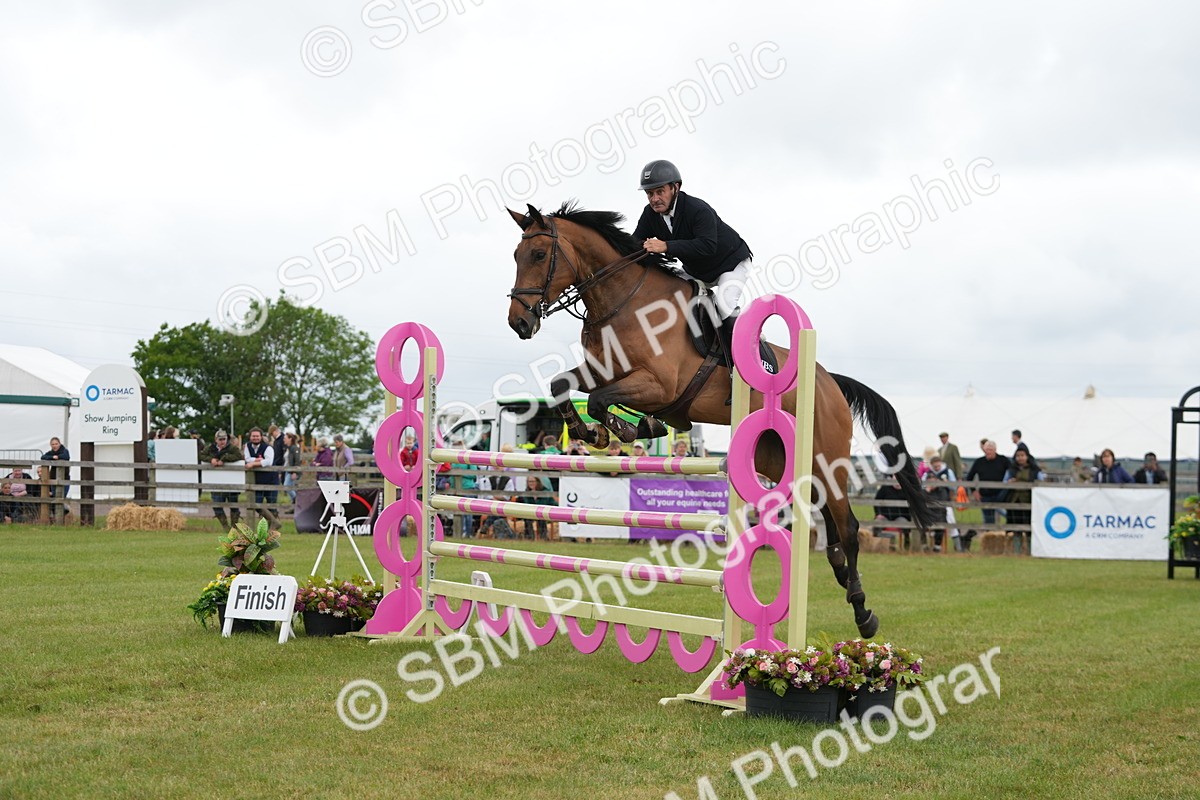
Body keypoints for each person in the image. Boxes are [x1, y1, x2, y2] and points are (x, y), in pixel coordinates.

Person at [632, 160, 753, 368]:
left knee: (723, 307)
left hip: (731, 263)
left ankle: (743, 364)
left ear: (675, 187)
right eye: (650, 194)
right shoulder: (650, 214)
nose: (655, 199)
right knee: (667, 290)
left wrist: (666, 247)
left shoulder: (697, 209)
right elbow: (635, 244)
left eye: (660, 192)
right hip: (697, 271)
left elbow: (707, 246)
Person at [1004, 449, 1045, 554]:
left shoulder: (1035, 470)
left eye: (1022, 455)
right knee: (1016, 528)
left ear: (1027, 456)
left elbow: (1041, 481)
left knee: (1029, 528)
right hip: (1014, 500)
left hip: (1029, 501)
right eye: (1018, 456)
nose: (1020, 458)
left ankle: (1030, 551)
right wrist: (1009, 482)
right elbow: (1004, 482)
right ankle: (1017, 552)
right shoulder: (1011, 470)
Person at [200, 430, 243, 530]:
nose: (223, 441)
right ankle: (225, 526)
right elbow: (201, 455)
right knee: (216, 505)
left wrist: (225, 458)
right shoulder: (210, 448)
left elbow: (239, 456)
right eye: (220, 439)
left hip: (231, 481)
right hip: (215, 482)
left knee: (233, 505)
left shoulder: (232, 448)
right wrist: (211, 460)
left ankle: (234, 527)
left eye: (224, 439)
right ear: (216, 440)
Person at [966, 440, 1010, 528]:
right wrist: (974, 491)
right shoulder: (979, 462)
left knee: (1008, 515)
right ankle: (990, 537)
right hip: (985, 495)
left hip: (1000, 495)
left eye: (990, 450)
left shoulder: (1003, 460)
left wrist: (1010, 481)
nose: (988, 452)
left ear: (995, 450)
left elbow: (1012, 471)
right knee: (989, 521)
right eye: (986, 450)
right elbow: (969, 477)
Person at [243, 427, 280, 531]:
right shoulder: (247, 446)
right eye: (253, 436)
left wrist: (253, 463)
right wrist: (257, 460)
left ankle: (272, 528)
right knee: (256, 504)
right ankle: (274, 522)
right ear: (250, 437)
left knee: (271, 503)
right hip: (257, 480)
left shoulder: (268, 448)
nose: (255, 438)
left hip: (270, 479)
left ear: (261, 437)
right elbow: (246, 459)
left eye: (257, 436)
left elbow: (268, 462)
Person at [923, 453, 960, 552]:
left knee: (951, 520)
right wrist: (928, 489)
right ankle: (926, 544)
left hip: (945, 502)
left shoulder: (948, 472)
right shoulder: (927, 473)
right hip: (929, 504)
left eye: (938, 466)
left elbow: (954, 487)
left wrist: (946, 483)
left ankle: (958, 546)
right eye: (935, 467)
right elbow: (922, 487)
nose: (937, 468)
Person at [40, 437, 71, 518]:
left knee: (61, 497)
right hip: (53, 478)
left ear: (59, 444)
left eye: (56, 444)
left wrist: (57, 457)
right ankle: (57, 516)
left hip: (65, 478)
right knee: (55, 497)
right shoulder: (51, 453)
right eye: (53, 444)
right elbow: (43, 457)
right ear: (50, 445)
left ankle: (61, 513)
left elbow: (66, 456)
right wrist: (53, 457)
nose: (54, 446)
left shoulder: (65, 451)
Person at [281, 432, 301, 503]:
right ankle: (294, 505)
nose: (284, 440)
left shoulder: (294, 448)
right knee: (291, 487)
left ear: (290, 439)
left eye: (285, 438)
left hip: (291, 471)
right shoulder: (288, 448)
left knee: (287, 486)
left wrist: (295, 472)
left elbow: (297, 460)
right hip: (287, 470)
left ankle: (296, 500)